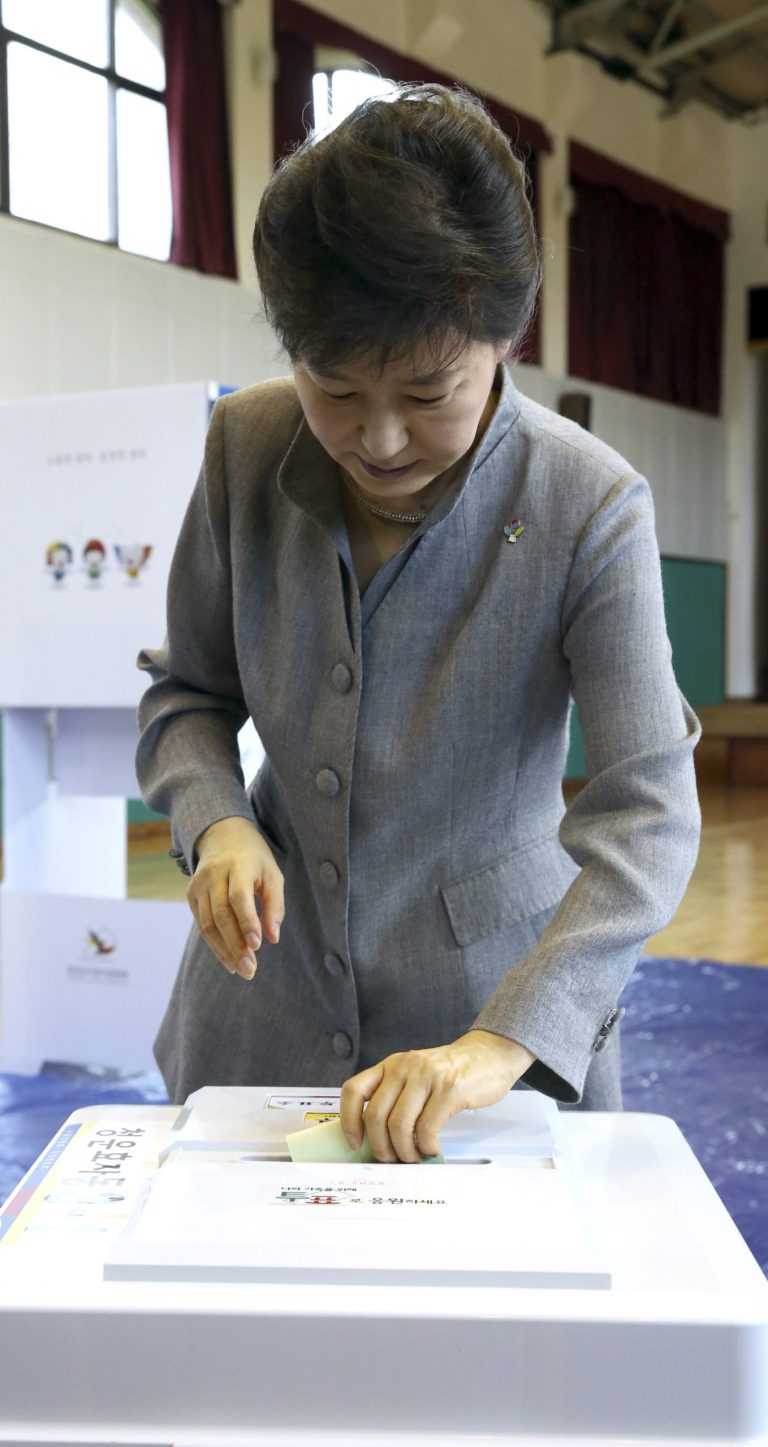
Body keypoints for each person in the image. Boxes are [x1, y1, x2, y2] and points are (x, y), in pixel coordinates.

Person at [136, 83, 701, 1163]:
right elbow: (187, 694)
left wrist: (502, 1041)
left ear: (502, 336)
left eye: (429, 391)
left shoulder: (589, 502)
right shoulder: (244, 450)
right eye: (332, 388)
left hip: (491, 1028)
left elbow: (650, 808)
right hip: (262, 1010)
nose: (380, 437)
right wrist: (218, 821)